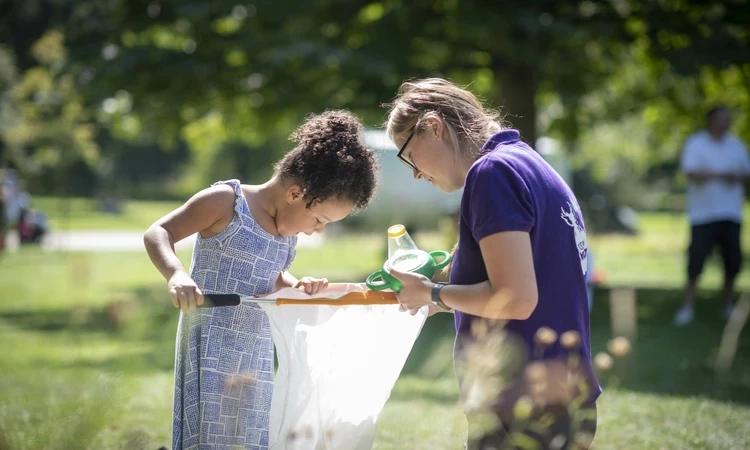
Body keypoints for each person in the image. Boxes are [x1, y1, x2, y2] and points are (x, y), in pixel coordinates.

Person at [383, 78, 600, 449]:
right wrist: (446, 286)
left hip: (520, 403)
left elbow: (515, 299)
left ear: (434, 128)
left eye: (407, 154)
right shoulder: (526, 162)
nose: (415, 173)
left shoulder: (492, 173)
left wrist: (433, 293)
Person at [143, 110, 379, 450]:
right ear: (295, 193)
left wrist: (299, 286)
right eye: (319, 219)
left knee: (252, 436)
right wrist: (176, 273)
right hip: (209, 345)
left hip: (256, 351)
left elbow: (274, 278)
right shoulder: (226, 202)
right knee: (209, 436)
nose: (317, 229)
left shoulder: (286, 232)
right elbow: (158, 232)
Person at [674, 105, 750, 326]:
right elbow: (690, 171)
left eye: (728, 119)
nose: (726, 123)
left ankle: (728, 306)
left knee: (733, 261)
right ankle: (687, 307)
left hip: (731, 213)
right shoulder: (696, 143)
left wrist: (734, 176)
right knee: (696, 261)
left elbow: (746, 172)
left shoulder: (736, 145)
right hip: (703, 215)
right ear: (710, 121)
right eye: (721, 119)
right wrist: (720, 174)